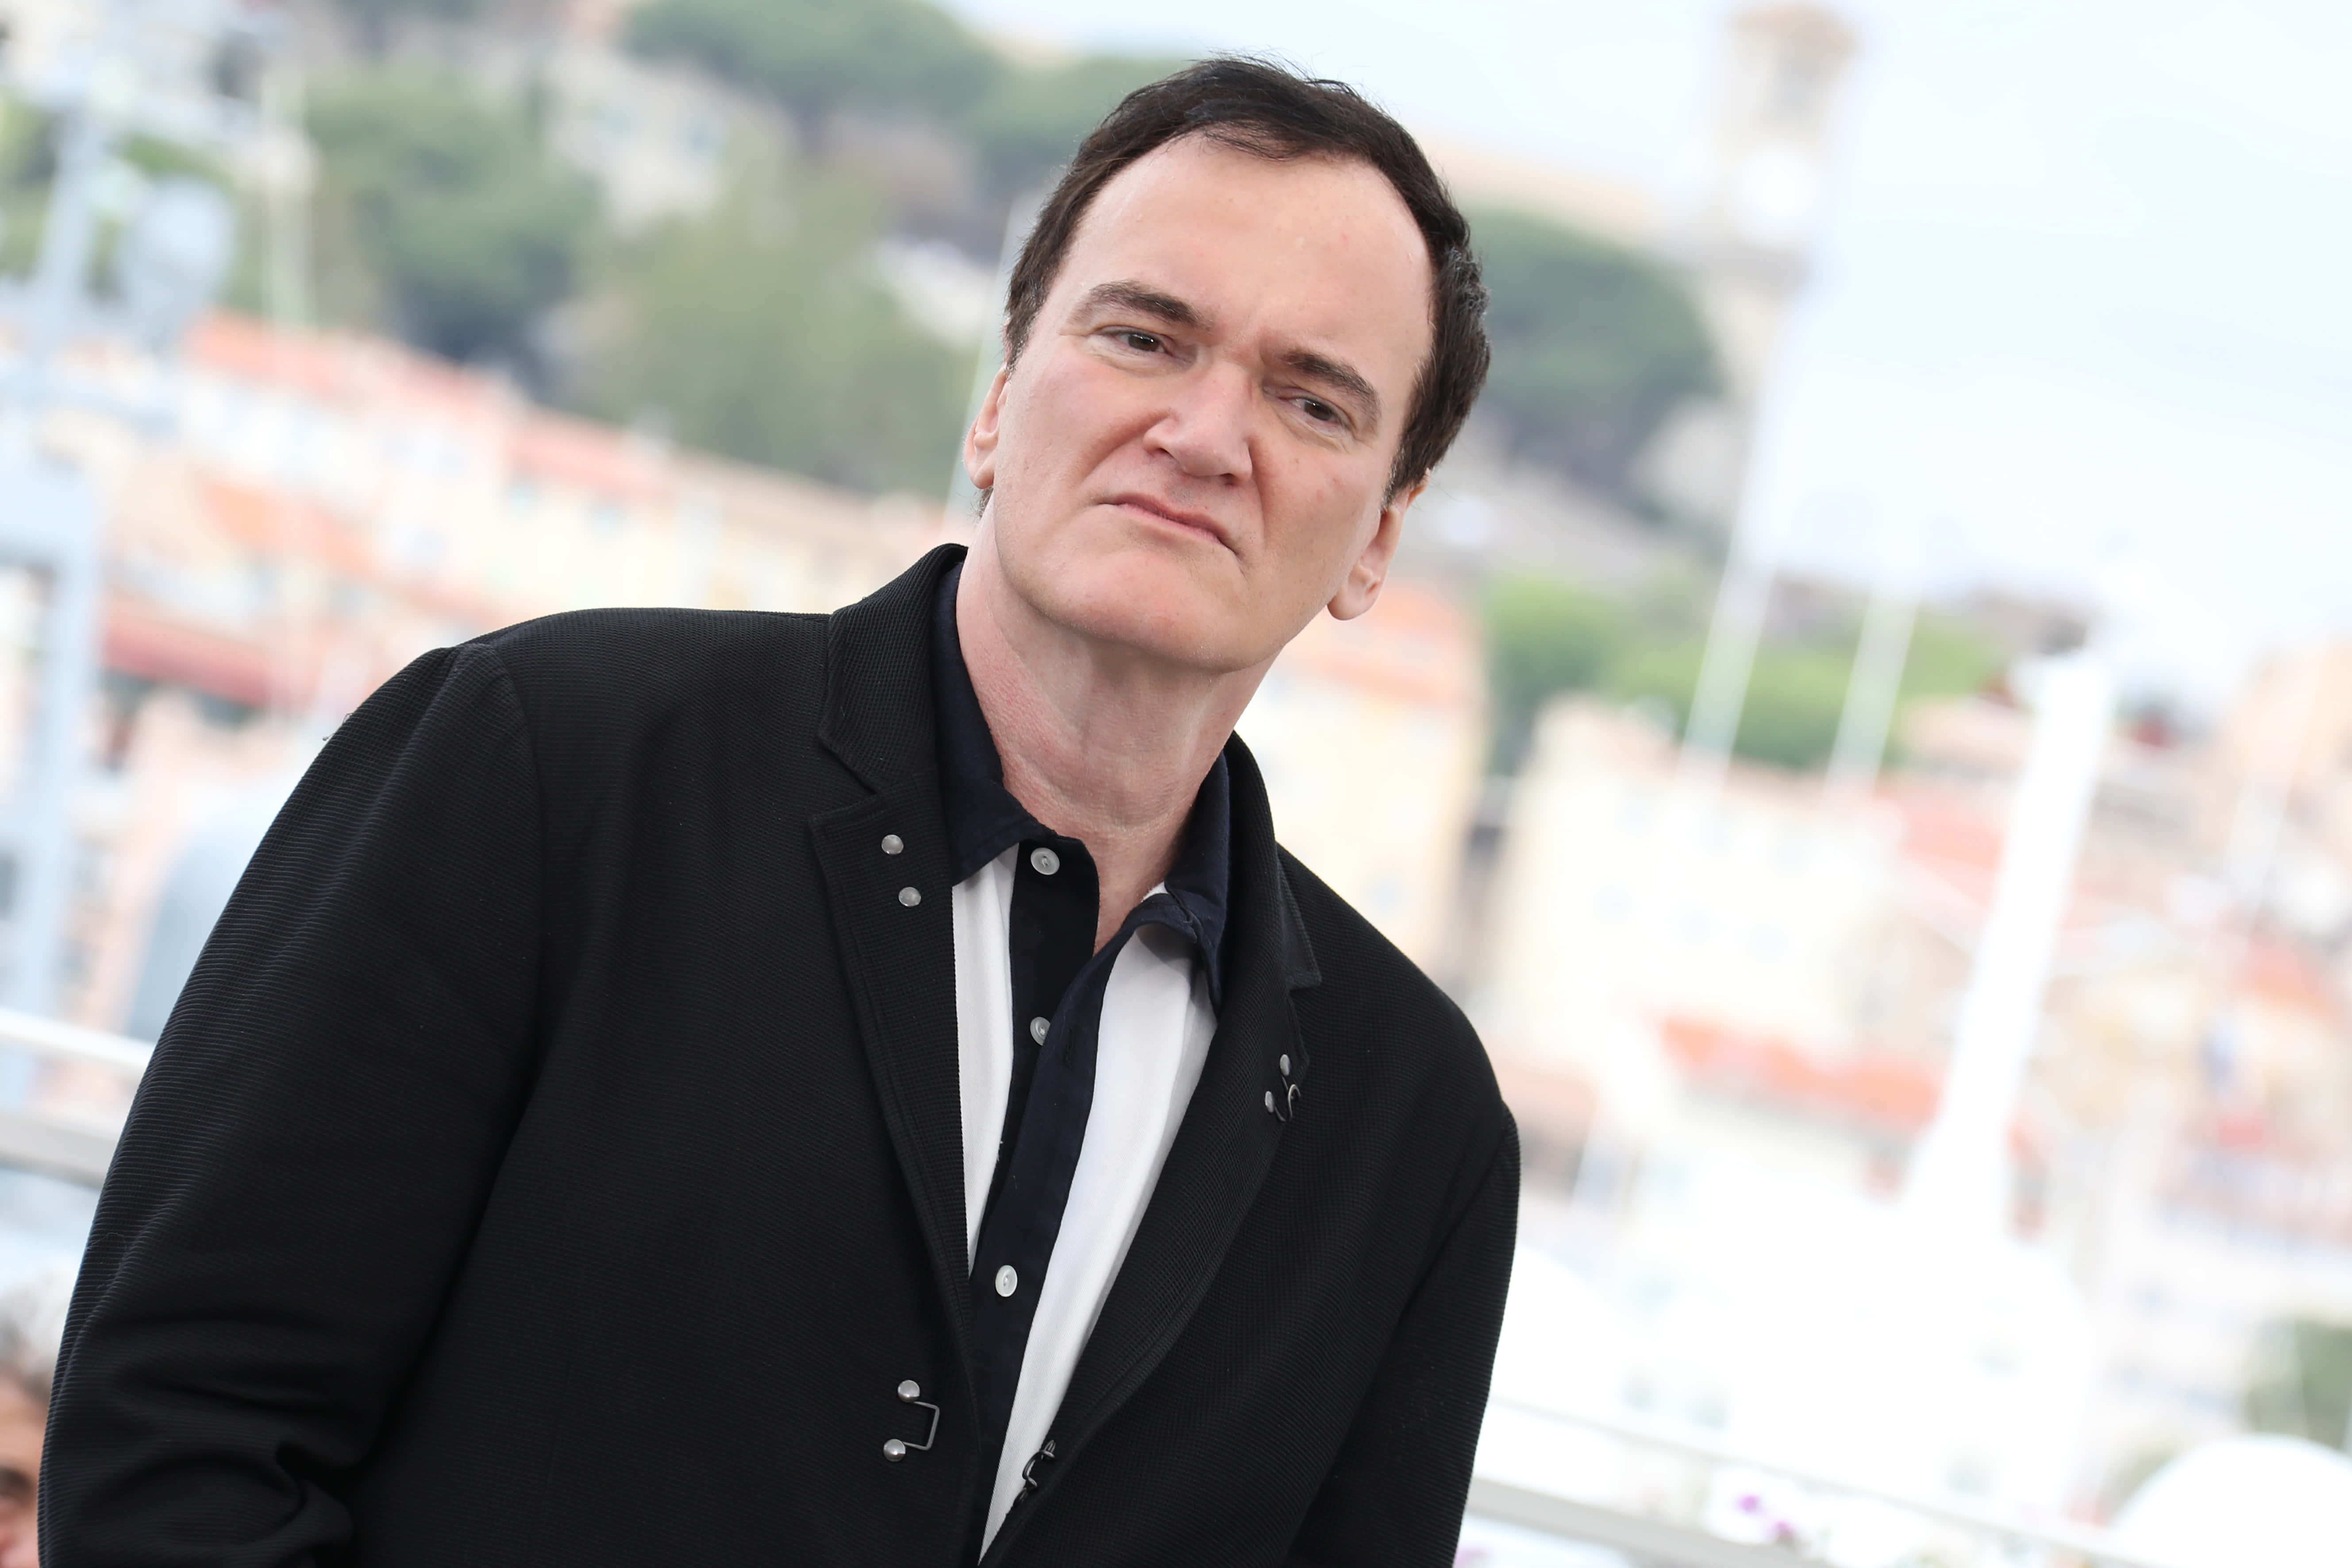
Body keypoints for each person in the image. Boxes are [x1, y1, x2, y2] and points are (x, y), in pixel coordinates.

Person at [44, 58, 1517, 1566]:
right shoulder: (540, 764)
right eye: (1145, 337)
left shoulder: (1421, 1131)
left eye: (1310, 400)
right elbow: (179, 1434)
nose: (1205, 434)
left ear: (1378, 536)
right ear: (998, 398)